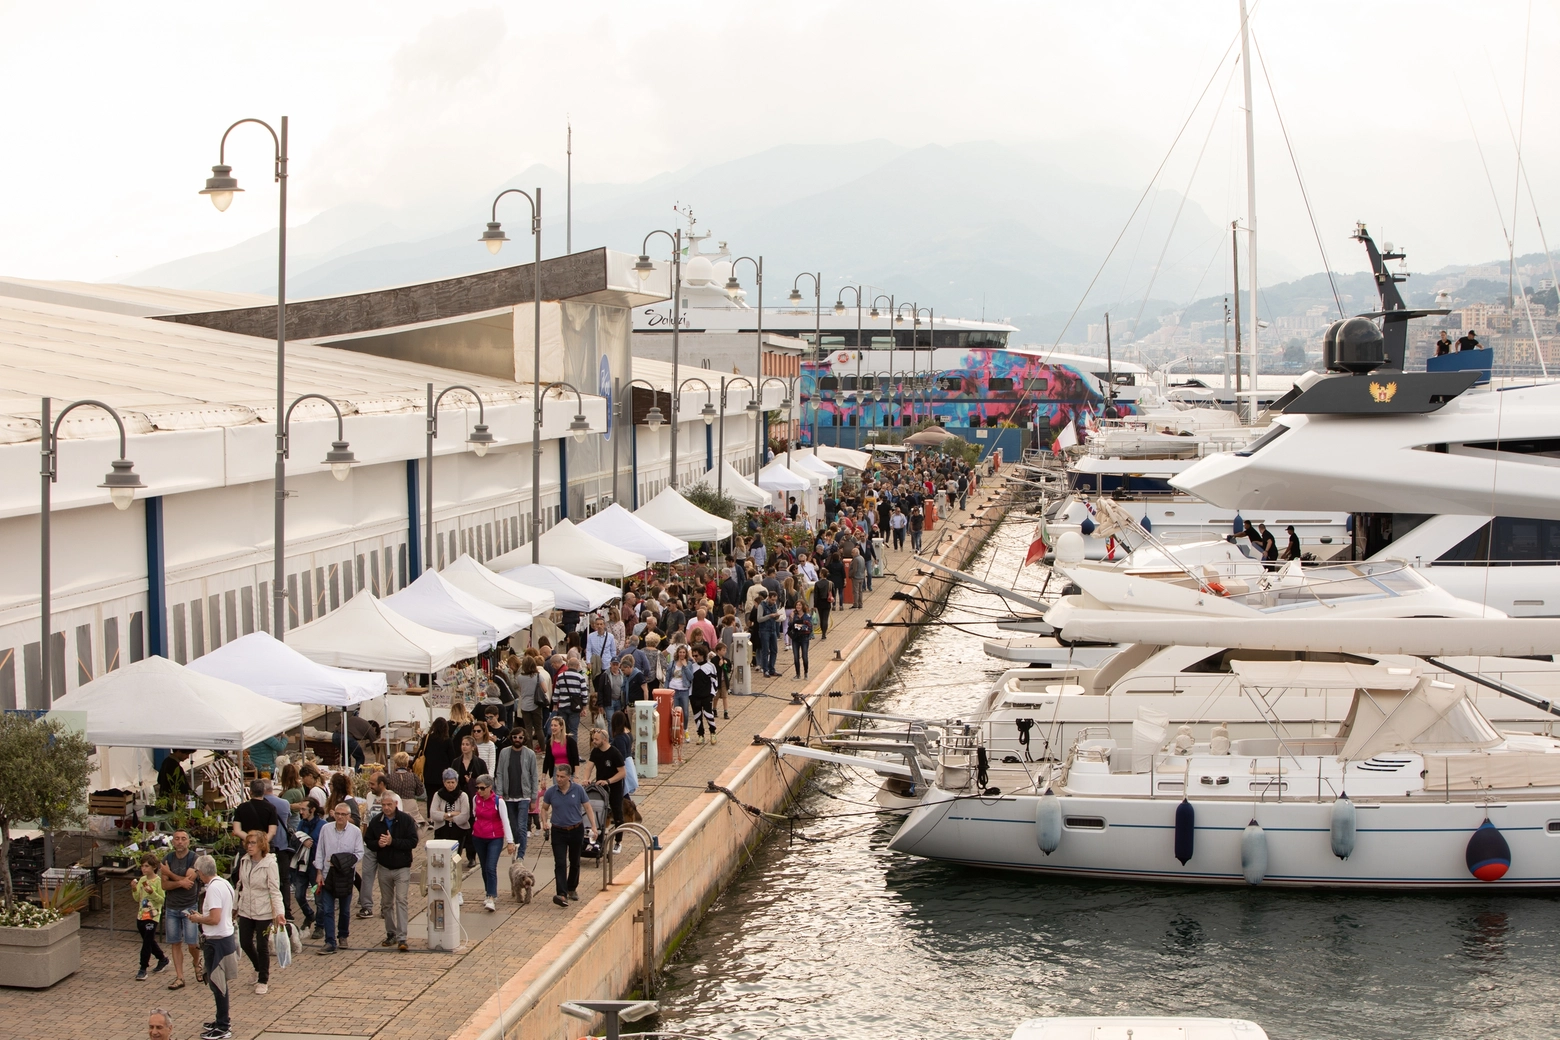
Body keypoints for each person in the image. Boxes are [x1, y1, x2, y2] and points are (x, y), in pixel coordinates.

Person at [185, 854, 237, 1040]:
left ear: (200, 871)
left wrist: (198, 918)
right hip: (224, 938)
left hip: (217, 941)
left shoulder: (214, 889)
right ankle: (221, 1019)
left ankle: (223, 1026)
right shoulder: (224, 883)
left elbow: (214, 919)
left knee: (217, 984)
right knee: (218, 983)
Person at [364, 791, 417, 950]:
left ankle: (402, 937)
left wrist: (393, 842)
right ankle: (391, 933)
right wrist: (377, 845)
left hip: (402, 868)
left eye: (389, 805)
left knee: (401, 900)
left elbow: (413, 842)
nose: (386, 808)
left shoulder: (406, 820)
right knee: (387, 903)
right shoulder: (376, 821)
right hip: (384, 867)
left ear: (395, 804)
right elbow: (368, 840)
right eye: (383, 805)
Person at [233, 830, 284, 996]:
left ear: (261, 844)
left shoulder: (270, 864)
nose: (249, 846)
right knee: (245, 942)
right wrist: (235, 906)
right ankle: (257, 967)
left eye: (253, 843)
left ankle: (263, 979)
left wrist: (279, 912)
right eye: (248, 843)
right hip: (246, 909)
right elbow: (240, 885)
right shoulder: (244, 861)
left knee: (262, 945)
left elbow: (274, 890)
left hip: (264, 911)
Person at [540, 765, 598, 907]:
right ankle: (562, 893)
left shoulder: (578, 790)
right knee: (560, 862)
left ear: (569, 777)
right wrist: (544, 822)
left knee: (575, 861)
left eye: (562, 777)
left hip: (575, 829)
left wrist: (594, 827)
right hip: (558, 831)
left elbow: (588, 807)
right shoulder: (551, 792)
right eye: (557, 776)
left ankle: (572, 888)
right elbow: (544, 808)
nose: (559, 779)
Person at [313, 802, 365, 956]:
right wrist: (319, 872)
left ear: (349, 816)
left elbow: (359, 853)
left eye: (343, 814)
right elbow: (320, 851)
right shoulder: (326, 829)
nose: (340, 817)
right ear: (333, 814)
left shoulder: (355, 832)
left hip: (346, 874)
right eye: (338, 814)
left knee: (345, 910)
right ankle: (330, 941)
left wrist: (344, 862)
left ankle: (343, 935)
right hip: (328, 874)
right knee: (328, 909)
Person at [158, 830, 202, 991]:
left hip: (189, 906)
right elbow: (164, 885)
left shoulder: (194, 859)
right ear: (173, 841)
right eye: (177, 839)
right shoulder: (167, 858)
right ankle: (180, 977)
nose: (180, 842)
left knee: (192, 943)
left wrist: (169, 874)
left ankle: (197, 962)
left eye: (183, 839)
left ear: (188, 842)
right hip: (172, 906)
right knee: (175, 943)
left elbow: (190, 881)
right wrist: (179, 882)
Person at [469, 776, 517, 911]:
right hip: (478, 837)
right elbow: (475, 814)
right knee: (484, 867)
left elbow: (505, 821)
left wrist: (510, 841)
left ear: (490, 788)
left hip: (494, 838)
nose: (479, 791)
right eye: (477, 788)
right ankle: (488, 891)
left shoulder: (498, 802)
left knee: (491, 866)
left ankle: (491, 896)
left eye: (482, 788)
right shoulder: (475, 799)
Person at [495, 726, 539, 861]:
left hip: (524, 796)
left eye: (520, 737)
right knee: (512, 826)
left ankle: (521, 855)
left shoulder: (530, 754)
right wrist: (499, 794)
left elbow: (534, 776)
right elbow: (500, 773)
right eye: (515, 737)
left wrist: (533, 798)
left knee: (521, 826)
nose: (517, 740)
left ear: (524, 738)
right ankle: (515, 847)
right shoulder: (504, 753)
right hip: (508, 796)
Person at [585, 727, 628, 852]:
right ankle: (597, 840)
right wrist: (586, 779)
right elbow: (589, 767)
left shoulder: (614, 753)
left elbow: (622, 772)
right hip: (600, 787)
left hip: (614, 786)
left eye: (596, 739)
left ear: (604, 740)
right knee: (598, 813)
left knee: (617, 813)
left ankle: (618, 842)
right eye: (593, 739)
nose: (594, 741)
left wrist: (609, 781)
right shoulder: (595, 751)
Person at [132, 853, 171, 981]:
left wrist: (152, 892)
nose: (144, 869)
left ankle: (143, 968)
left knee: (147, 943)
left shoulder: (158, 881)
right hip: (141, 915)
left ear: (154, 867)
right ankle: (162, 959)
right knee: (149, 940)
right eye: (142, 866)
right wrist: (134, 889)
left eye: (147, 866)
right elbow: (137, 898)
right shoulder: (142, 880)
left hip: (152, 916)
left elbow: (161, 899)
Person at [291, 799, 324, 938]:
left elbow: (323, 845)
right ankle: (310, 915)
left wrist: (312, 843)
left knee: (319, 898)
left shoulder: (323, 825)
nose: (301, 811)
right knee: (299, 894)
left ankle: (320, 927)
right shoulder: (301, 823)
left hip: (315, 868)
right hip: (302, 866)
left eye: (304, 809)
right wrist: (302, 840)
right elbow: (296, 838)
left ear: (312, 810)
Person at [429, 768, 472, 855]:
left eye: (453, 782)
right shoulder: (438, 795)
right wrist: (451, 814)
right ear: (444, 783)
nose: (450, 785)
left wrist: (443, 815)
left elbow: (464, 815)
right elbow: (433, 814)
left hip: (459, 830)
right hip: (441, 830)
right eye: (448, 782)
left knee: (455, 857)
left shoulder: (463, 796)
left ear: (456, 782)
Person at [515, 655, 550, 751]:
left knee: (528, 728)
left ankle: (530, 749)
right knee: (539, 728)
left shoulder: (519, 677)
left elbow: (520, 689)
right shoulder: (538, 676)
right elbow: (545, 689)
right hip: (536, 705)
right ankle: (543, 748)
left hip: (524, 705)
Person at [552, 655, 590, 740]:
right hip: (575, 708)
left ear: (568, 665)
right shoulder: (580, 677)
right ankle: (573, 750)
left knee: (561, 730)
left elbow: (556, 693)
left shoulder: (560, 676)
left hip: (562, 707)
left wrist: (555, 705)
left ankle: (562, 748)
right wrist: (584, 707)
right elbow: (584, 694)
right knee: (573, 731)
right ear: (577, 666)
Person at [687, 647, 718, 746]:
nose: (695, 658)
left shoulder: (710, 666)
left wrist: (712, 694)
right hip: (695, 696)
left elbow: (714, 681)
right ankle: (701, 735)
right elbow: (690, 682)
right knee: (697, 716)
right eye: (693, 655)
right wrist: (690, 695)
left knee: (708, 714)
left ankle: (713, 733)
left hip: (707, 695)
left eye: (697, 655)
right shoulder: (692, 666)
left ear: (702, 655)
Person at [753, 589, 781, 678]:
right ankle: (765, 670)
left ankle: (772, 669)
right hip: (764, 630)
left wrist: (777, 616)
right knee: (765, 651)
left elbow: (775, 618)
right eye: (772, 600)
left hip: (772, 629)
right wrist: (769, 616)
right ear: (768, 598)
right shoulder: (762, 605)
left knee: (774, 650)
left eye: (775, 600)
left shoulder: (774, 605)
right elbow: (759, 619)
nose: (774, 602)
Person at [789, 605, 813, 679]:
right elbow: (790, 626)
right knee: (796, 657)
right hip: (795, 639)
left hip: (804, 638)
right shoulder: (794, 616)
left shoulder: (807, 616)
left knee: (804, 656)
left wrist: (799, 626)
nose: (797, 606)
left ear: (803, 606)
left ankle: (806, 672)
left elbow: (809, 627)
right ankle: (798, 674)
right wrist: (791, 618)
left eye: (799, 605)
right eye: (796, 605)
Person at [812, 571, 833, 640]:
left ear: (821, 574)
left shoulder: (817, 583)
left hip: (819, 603)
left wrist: (815, 605)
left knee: (821, 618)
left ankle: (822, 632)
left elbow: (815, 595)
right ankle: (824, 633)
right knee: (825, 618)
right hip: (827, 602)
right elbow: (833, 593)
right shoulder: (830, 583)